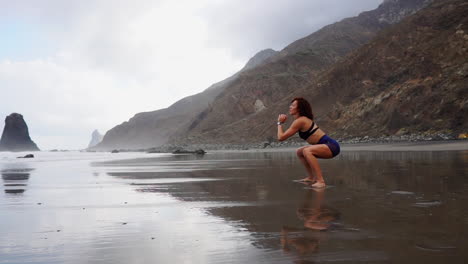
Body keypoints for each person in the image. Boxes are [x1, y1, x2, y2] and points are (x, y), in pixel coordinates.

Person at [277, 97, 340, 188]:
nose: (290, 107)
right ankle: (311, 177)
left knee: (307, 151)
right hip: (326, 145)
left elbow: (281, 137)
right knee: (300, 151)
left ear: (299, 108)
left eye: (293, 105)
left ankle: (320, 181)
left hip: (331, 146)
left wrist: (279, 123)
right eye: (290, 105)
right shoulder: (300, 120)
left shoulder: (300, 121)